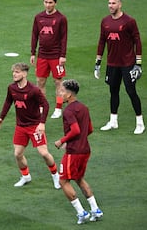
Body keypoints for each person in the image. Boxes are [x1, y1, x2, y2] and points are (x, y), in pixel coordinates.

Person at [0, 62, 60, 189]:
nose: (14, 74)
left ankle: (56, 175)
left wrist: (42, 123)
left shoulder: (34, 90)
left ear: (24, 73)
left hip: (34, 126)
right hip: (20, 126)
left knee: (44, 153)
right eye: (13, 72)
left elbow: (45, 105)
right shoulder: (11, 88)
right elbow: (8, 101)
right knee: (17, 154)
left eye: (17, 72)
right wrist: (1, 117)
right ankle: (26, 176)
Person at [54, 79, 103, 224]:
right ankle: (95, 209)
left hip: (73, 152)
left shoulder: (69, 110)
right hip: (85, 150)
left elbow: (75, 130)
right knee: (79, 178)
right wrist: (77, 140)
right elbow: (90, 129)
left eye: (62, 91)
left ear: (69, 95)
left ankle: (81, 212)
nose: (59, 94)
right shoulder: (84, 107)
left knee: (63, 181)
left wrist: (62, 140)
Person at [94, 0, 144, 134]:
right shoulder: (105, 21)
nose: (111, 6)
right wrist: (98, 62)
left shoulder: (129, 21)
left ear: (120, 4)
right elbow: (102, 41)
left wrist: (138, 64)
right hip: (112, 63)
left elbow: (137, 42)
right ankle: (113, 121)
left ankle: (140, 122)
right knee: (113, 91)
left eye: (113, 3)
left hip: (128, 63)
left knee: (131, 91)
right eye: (109, 3)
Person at [30, 0, 68, 119]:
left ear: (55, 3)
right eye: (46, 2)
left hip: (56, 56)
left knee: (58, 82)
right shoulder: (38, 17)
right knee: (40, 81)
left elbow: (64, 38)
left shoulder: (61, 18)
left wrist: (63, 55)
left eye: (50, 2)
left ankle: (58, 108)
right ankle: (42, 107)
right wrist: (32, 53)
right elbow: (34, 35)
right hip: (42, 55)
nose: (48, 5)